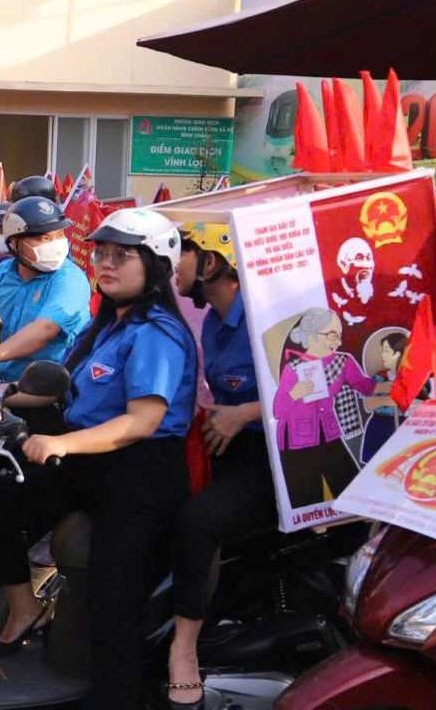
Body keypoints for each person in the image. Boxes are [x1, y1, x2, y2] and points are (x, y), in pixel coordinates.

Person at [0, 208, 196, 710]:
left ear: (156, 266)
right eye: (102, 254)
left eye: (122, 255)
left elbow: (142, 422)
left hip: (139, 473)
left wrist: (62, 445)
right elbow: (61, 388)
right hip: (89, 458)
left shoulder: (157, 333)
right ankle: (24, 610)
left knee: (112, 598)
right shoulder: (108, 324)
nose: (106, 263)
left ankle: (117, 698)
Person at [166, 224, 277, 708]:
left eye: (182, 252)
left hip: (278, 460)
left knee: (198, 521)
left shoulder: (267, 316)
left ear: (211, 261)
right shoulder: (212, 319)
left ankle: (184, 649)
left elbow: (315, 391)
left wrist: (245, 413)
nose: (172, 266)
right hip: (230, 444)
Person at [0, 195, 93, 385]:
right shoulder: (1, 274)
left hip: (53, 389)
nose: (55, 244)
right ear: (14, 243)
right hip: (4, 382)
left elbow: (45, 329)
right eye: (43, 238)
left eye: (59, 235)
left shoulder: (71, 279)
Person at [272, 307, 375, 507]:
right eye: (332, 335)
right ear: (312, 336)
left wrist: (391, 379)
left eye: (339, 336)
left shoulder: (343, 361)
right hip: (295, 442)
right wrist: (295, 393)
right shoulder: (293, 368)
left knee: (351, 494)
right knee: (307, 503)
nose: (338, 342)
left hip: (329, 434)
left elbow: (366, 387)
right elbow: (277, 410)